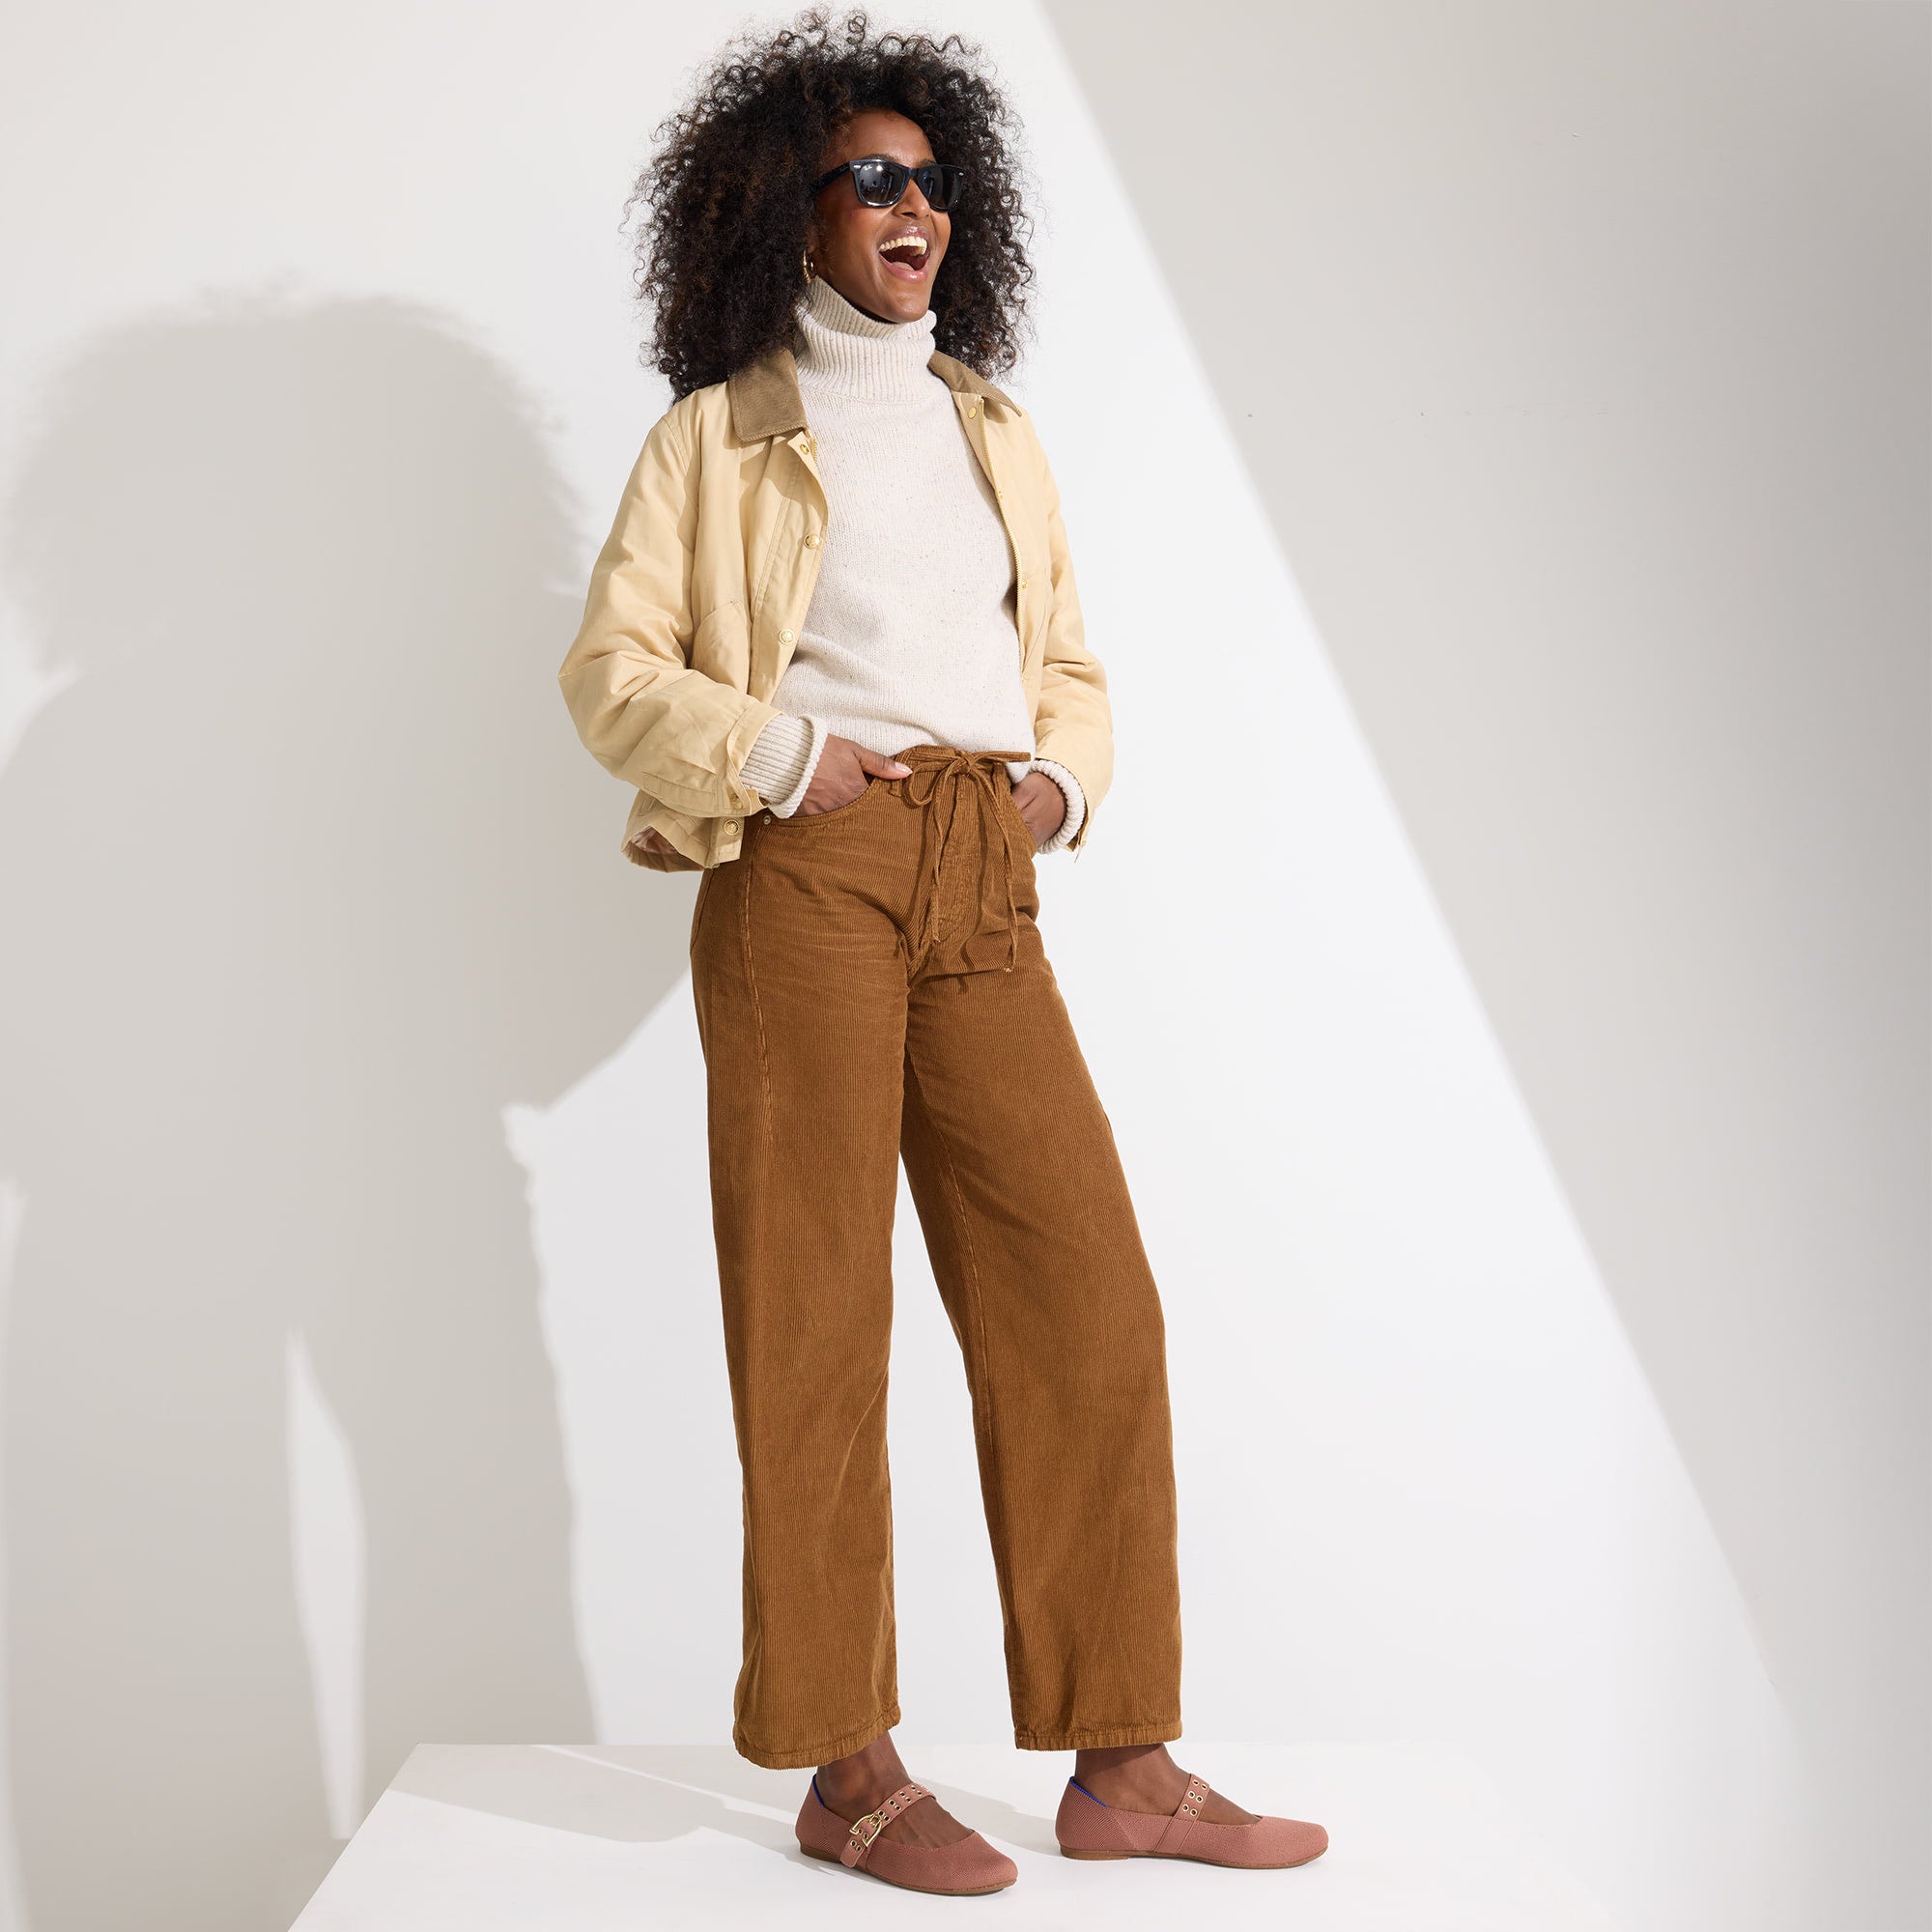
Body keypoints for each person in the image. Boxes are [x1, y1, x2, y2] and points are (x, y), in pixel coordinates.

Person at [556, 7, 1328, 1897]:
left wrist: (1059, 788)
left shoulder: (992, 426)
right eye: (872, 179)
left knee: (1085, 1299)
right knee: (817, 1321)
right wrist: (787, 757)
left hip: (987, 870)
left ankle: (1122, 1761)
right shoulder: (716, 435)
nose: (915, 208)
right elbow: (612, 672)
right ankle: (849, 1767)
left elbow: (1064, 661)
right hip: (807, 873)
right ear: (789, 210)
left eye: (933, 179)